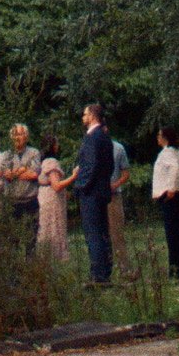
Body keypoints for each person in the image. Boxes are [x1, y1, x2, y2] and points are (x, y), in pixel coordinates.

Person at [63, 102, 116, 285]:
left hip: (91, 192)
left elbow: (91, 166)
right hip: (101, 190)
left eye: (85, 114)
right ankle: (104, 271)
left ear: (92, 115)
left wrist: (80, 186)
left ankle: (99, 275)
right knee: (101, 232)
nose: (82, 117)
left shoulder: (93, 137)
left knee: (93, 233)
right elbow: (108, 166)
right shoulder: (105, 136)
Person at [151, 127, 179, 281]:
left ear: (165, 137)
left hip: (172, 197)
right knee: (178, 235)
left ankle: (175, 272)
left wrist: (171, 188)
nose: (157, 137)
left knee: (172, 235)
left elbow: (176, 168)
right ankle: (178, 271)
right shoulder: (178, 153)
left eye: (159, 135)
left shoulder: (167, 153)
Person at [0, 121, 43, 252]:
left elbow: (34, 174)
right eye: (15, 134)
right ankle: (16, 269)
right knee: (12, 240)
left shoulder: (34, 152)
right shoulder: (6, 154)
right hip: (12, 202)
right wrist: (23, 169)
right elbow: (1, 172)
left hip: (30, 201)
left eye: (21, 134)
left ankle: (31, 268)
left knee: (31, 239)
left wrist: (13, 173)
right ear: (11, 137)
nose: (18, 137)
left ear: (26, 136)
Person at [36, 139, 70, 261]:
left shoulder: (43, 161)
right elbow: (56, 185)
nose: (58, 145)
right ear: (52, 146)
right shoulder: (51, 162)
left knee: (46, 227)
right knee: (53, 226)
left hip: (44, 196)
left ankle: (45, 256)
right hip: (51, 199)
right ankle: (53, 257)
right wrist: (74, 177)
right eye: (56, 143)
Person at [107, 135, 132, 270]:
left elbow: (126, 173)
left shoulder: (118, 148)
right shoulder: (91, 146)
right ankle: (105, 266)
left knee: (116, 232)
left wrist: (114, 185)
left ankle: (124, 267)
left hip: (113, 196)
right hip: (96, 196)